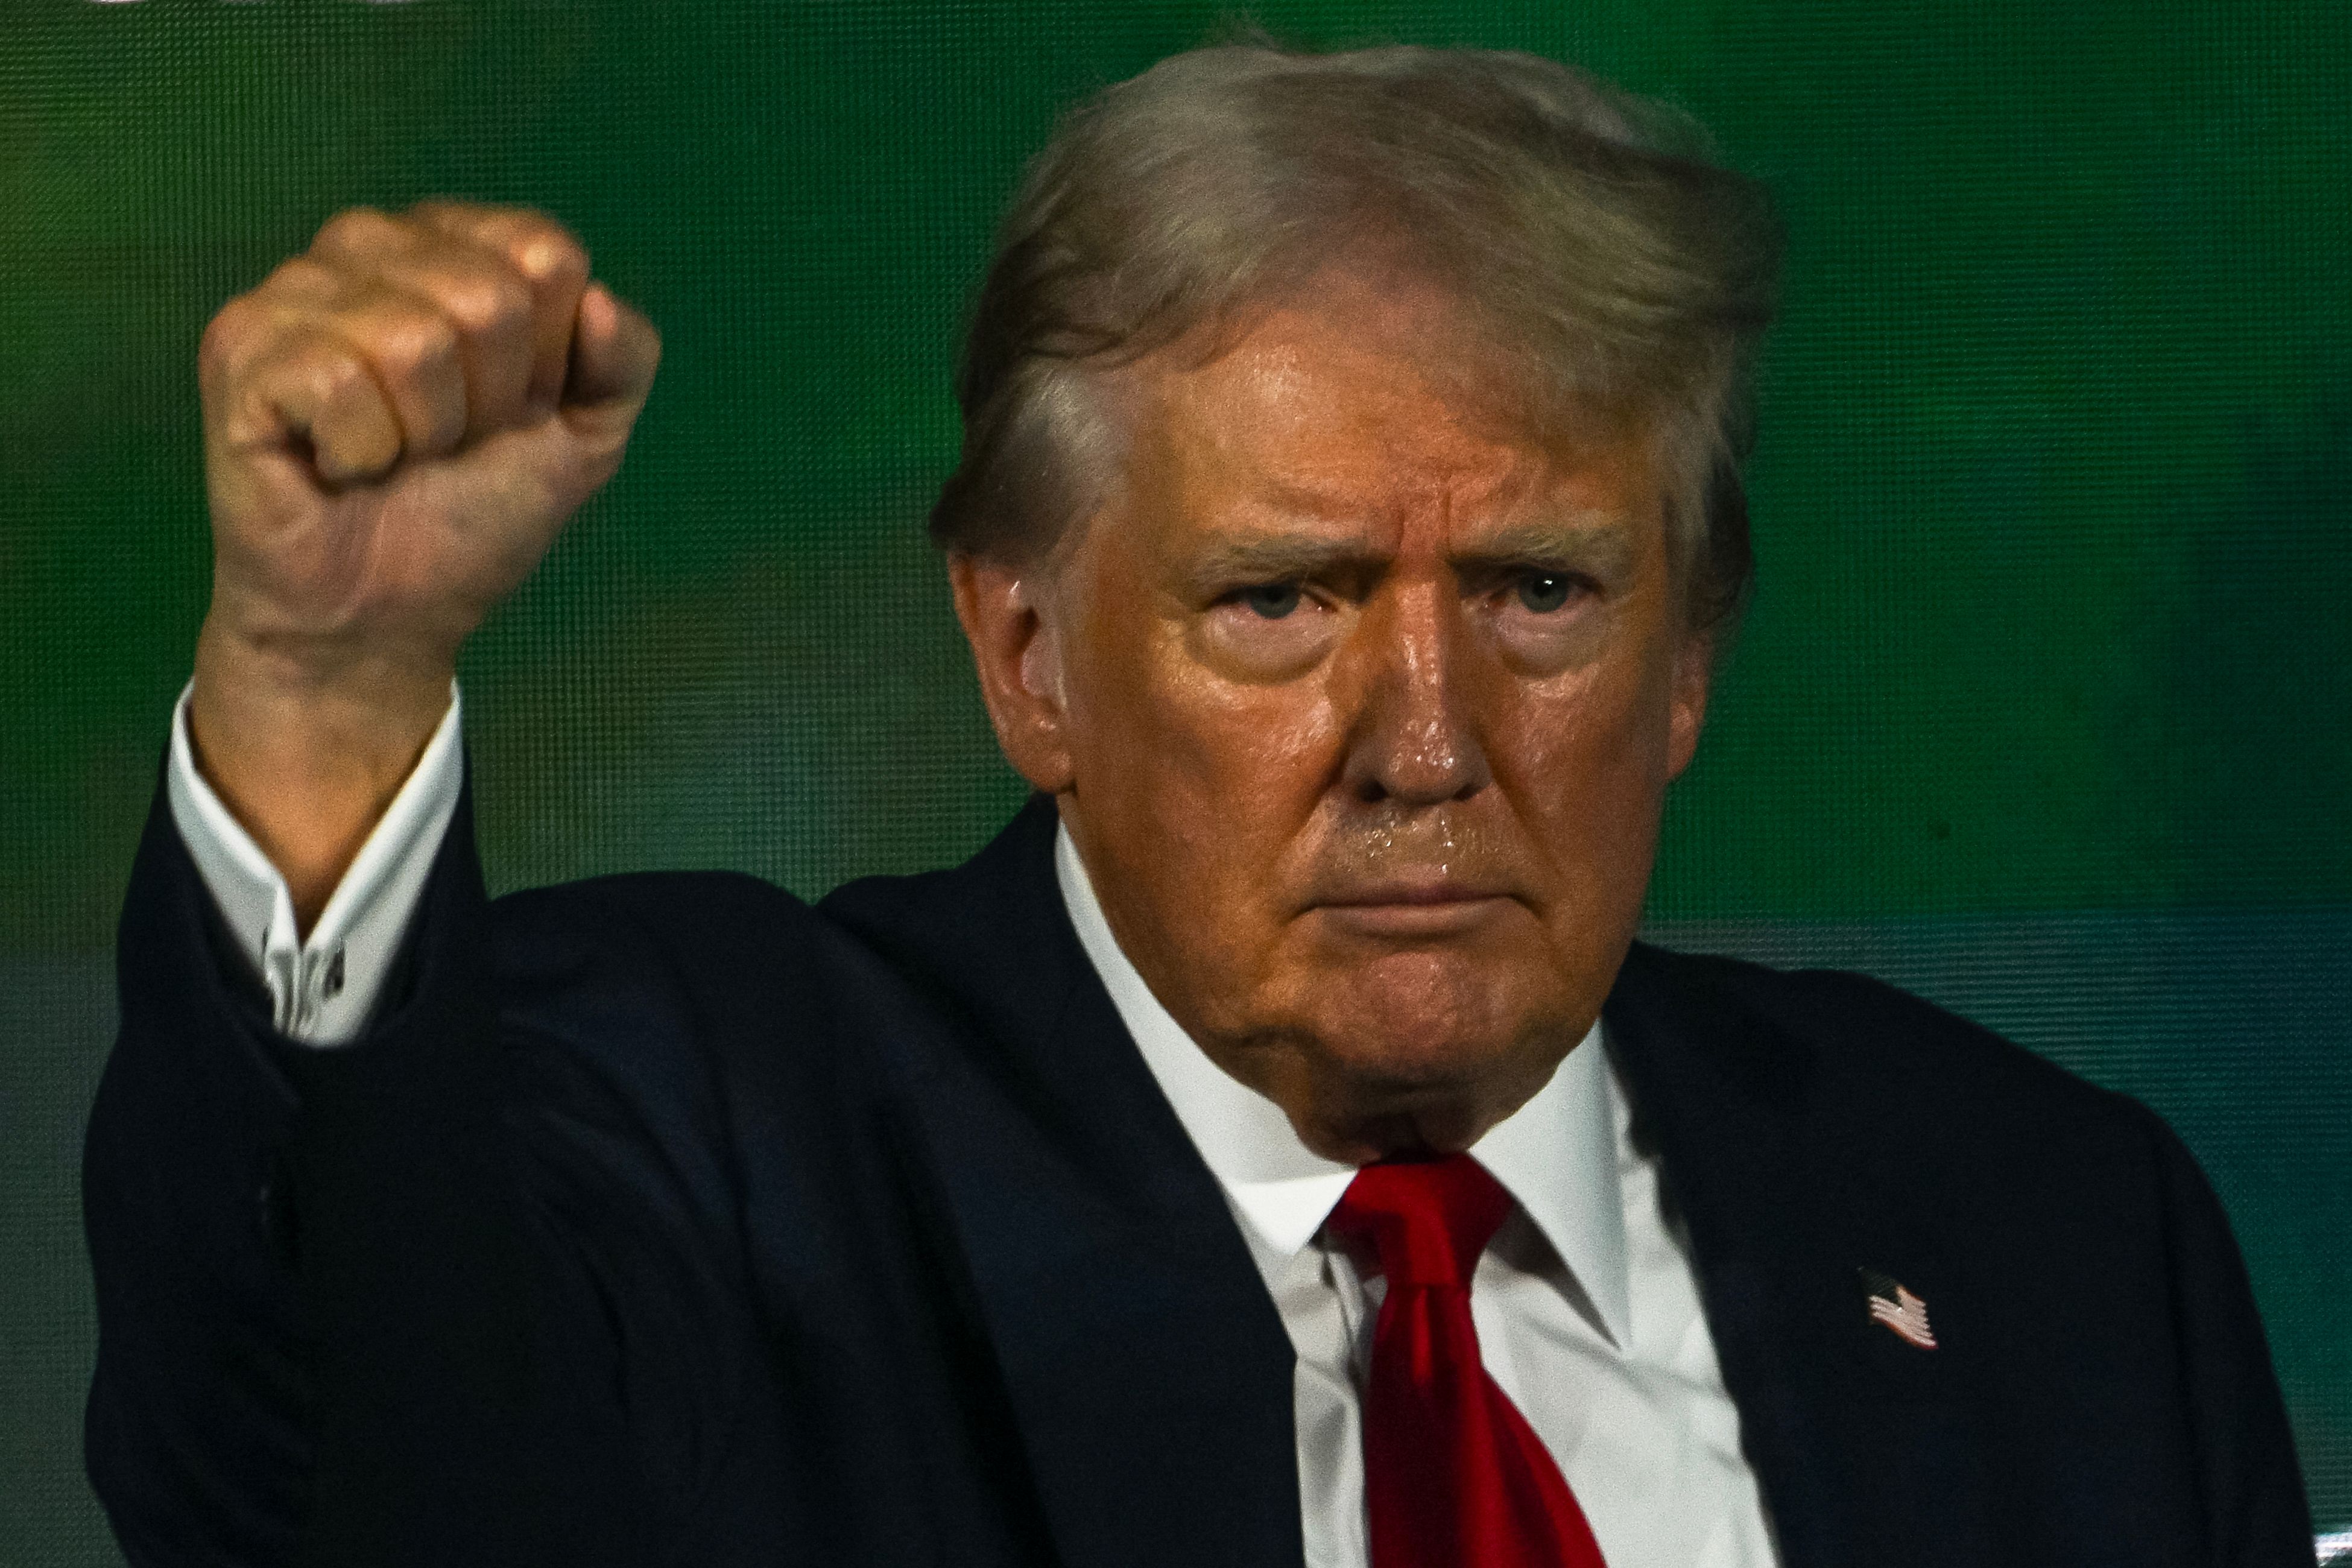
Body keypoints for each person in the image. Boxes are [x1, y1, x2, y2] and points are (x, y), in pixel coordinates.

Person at [83, 41, 2313, 1568]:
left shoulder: (2047, 1234)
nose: (1424, 739)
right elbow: (318, 1474)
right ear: (1026, 656)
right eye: (1281, 602)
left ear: (1689, 661)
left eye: (1540, 591)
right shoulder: (715, 1119)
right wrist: (322, 692)